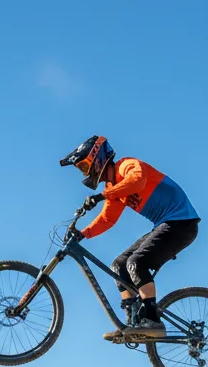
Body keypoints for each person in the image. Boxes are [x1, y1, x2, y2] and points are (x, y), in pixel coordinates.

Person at [59, 135, 200, 339]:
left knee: (136, 262)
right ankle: (132, 323)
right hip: (165, 225)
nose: (84, 172)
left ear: (96, 159)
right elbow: (107, 219)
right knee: (119, 265)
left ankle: (152, 321)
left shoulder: (126, 166)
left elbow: (137, 180)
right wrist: (83, 234)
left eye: (83, 166)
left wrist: (101, 196)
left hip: (181, 223)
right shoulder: (112, 189)